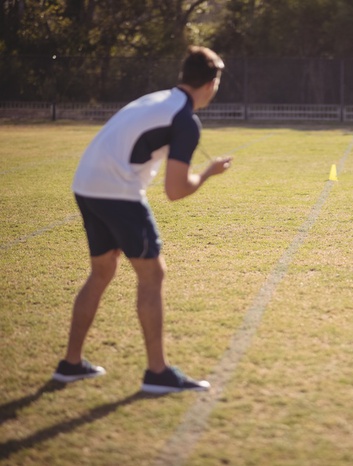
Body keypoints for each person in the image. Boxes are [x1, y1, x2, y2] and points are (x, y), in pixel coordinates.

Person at [52, 46, 231, 394]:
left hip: (85, 184)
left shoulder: (159, 99)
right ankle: (157, 373)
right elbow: (176, 190)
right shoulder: (185, 119)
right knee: (153, 273)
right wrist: (208, 173)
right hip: (116, 191)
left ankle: (70, 364)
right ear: (211, 84)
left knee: (102, 271)